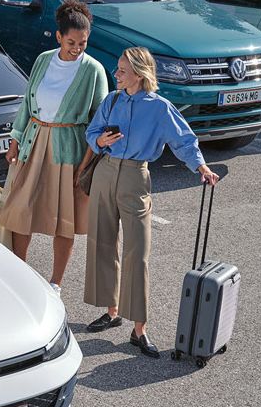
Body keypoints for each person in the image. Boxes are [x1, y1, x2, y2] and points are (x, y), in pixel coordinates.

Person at [83, 46, 220, 357]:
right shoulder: (112, 99)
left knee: (138, 253)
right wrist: (99, 140)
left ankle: (139, 329)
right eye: (116, 69)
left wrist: (201, 167)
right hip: (105, 173)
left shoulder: (160, 108)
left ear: (139, 74)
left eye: (121, 70)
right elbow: (92, 132)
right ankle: (112, 310)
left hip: (135, 177)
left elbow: (184, 140)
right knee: (102, 242)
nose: (115, 74)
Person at [0, 0, 109, 291]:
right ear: (58, 36)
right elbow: (27, 103)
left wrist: (88, 160)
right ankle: (19, 274)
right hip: (33, 143)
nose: (77, 47)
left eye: (83, 42)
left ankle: (55, 284)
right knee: (20, 211)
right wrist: (15, 138)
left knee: (64, 219)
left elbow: (99, 118)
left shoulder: (93, 70)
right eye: (71, 41)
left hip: (68, 149)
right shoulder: (43, 60)